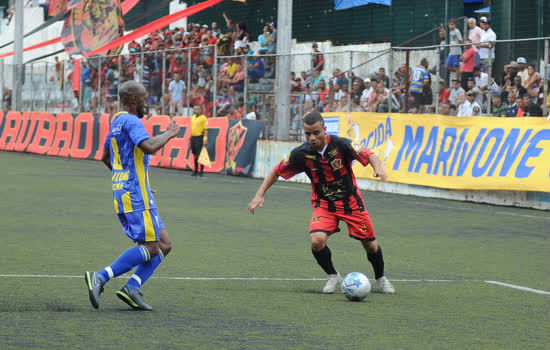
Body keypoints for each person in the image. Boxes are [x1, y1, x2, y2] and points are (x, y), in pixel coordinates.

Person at [247, 112, 395, 295]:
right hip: (324, 205)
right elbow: (276, 170)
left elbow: (369, 154)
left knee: (370, 245)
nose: (312, 138)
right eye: (307, 134)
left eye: (316, 132)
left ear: (324, 130)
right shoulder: (301, 153)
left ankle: (380, 278)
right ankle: (333, 275)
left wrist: (378, 167)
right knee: (316, 241)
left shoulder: (341, 144)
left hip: (351, 204)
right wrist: (259, 194)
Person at [85, 81, 179, 311]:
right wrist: (170, 133)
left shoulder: (116, 121)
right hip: (134, 194)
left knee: (164, 244)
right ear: (134, 100)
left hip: (132, 191)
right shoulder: (130, 120)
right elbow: (148, 146)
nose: (147, 103)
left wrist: (130, 179)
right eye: (145, 98)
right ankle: (100, 276)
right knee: (151, 247)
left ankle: (131, 287)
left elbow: (106, 157)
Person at [190, 105, 208, 177]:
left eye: (197, 109)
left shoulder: (203, 118)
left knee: (200, 154)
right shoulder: (193, 117)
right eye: (195, 109)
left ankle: (201, 171)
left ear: (200, 110)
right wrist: (189, 139)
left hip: (199, 137)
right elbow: (192, 129)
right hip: (193, 138)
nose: (196, 111)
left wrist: (205, 139)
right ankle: (195, 170)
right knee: (194, 154)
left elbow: (206, 129)